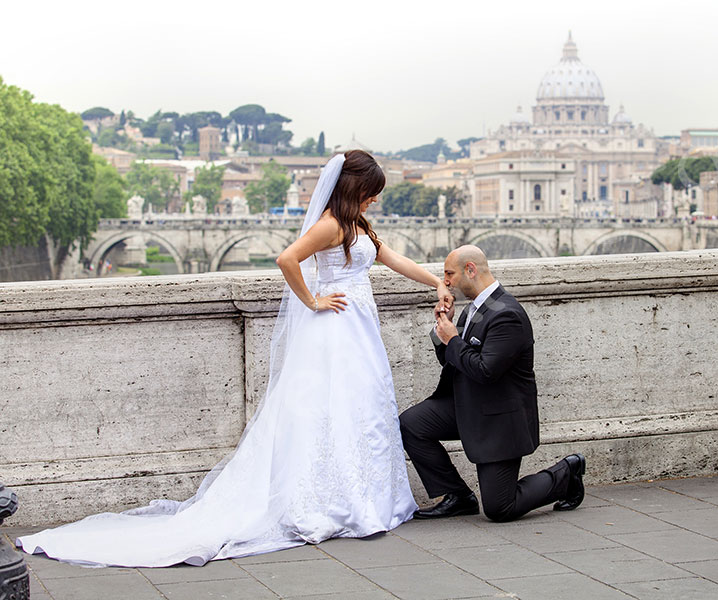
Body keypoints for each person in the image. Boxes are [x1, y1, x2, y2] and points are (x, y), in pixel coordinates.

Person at [17, 150, 453, 567]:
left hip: (359, 328)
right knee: (331, 409)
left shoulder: (357, 223)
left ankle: (362, 495)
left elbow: (392, 259)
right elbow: (288, 259)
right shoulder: (330, 225)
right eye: (371, 189)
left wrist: (436, 281)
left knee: (360, 408)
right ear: (354, 186)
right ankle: (336, 500)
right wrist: (314, 301)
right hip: (336, 329)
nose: (376, 197)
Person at [399, 245, 586, 522]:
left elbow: (486, 371)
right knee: (411, 424)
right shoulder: (473, 309)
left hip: (499, 419)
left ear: (470, 270)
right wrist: (443, 330)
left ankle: (566, 475)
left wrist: (453, 339)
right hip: (469, 405)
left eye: (449, 274)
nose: (445, 281)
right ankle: (458, 496)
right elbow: (454, 361)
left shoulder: (507, 315)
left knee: (500, 508)